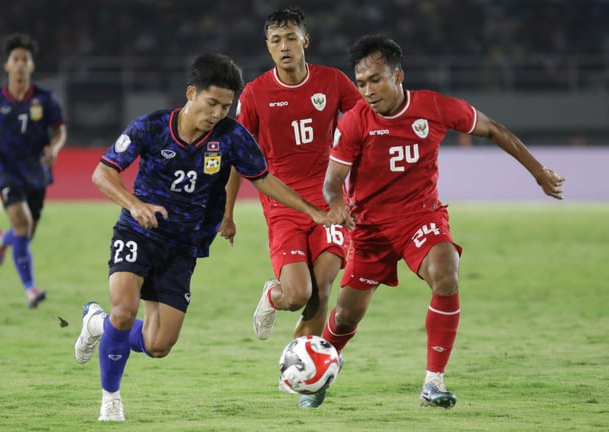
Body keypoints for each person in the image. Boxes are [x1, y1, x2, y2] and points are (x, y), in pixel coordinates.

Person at [73, 53, 340, 422]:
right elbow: (103, 174)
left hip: (183, 246)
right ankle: (110, 399)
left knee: (158, 344)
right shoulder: (151, 127)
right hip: (138, 231)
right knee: (124, 310)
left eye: (225, 106)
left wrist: (311, 210)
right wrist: (134, 205)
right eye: (211, 103)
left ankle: (95, 324)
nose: (217, 114)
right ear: (191, 93)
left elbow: (262, 177)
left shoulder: (231, 137)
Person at [319, 34, 565, 409]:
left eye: (376, 80)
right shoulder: (355, 122)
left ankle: (433, 382)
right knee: (346, 315)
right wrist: (336, 203)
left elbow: (494, 128)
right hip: (370, 230)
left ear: (398, 76)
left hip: (421, 218)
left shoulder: (433, 106)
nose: (367, 90)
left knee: (447, 272)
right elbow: (332, 181)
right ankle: (319, 371)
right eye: (361, 83)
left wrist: (538, 173)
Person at [230, 8, 360, 408]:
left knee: (320, 291)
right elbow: (239, 154)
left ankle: (303, 377)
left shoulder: (333, 82)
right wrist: (226, 212)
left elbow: (364, 125)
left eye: (290, 38)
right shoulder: (254, 93)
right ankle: (274, 296)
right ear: (267, 47)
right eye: (275, 41)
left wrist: (356, 193)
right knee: (296, 293)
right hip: (282, 204)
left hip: (329, 202)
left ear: (306, 40)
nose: (283, 47)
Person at [0, 33, 67, 308]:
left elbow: (60, 130)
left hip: (37, 173)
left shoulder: (45, 100)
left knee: (26, 231)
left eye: (26, 59)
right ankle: (30, 289)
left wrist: (54, 150)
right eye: (16, 59)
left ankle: (2, 240)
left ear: (32, 66)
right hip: (8, 171)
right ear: (7, 66)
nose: (21, 64)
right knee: (23, 227)